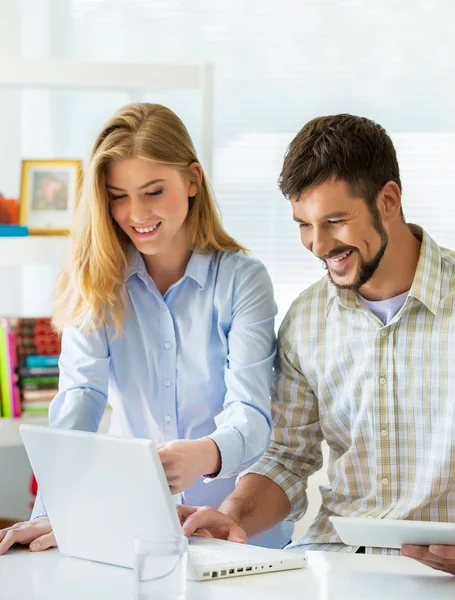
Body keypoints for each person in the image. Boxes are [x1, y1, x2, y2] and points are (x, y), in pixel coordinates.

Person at [0, 103, 292, 555]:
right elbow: (81, 399)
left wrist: (203, 454)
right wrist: (49, 512)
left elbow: (252, 413)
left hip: (237, 535)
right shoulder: (95, 279)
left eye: (154, 191)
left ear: (192, 180)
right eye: (118, 195)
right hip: (133, 529)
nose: (136, 213)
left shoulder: (241, 280)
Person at [178, 114, 455, 575]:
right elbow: (287, 457)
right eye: (303, 224)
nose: (317, 244)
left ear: (388, 201)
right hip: (334, 561)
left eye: (335, 221)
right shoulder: (306, 319)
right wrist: (229, 518)